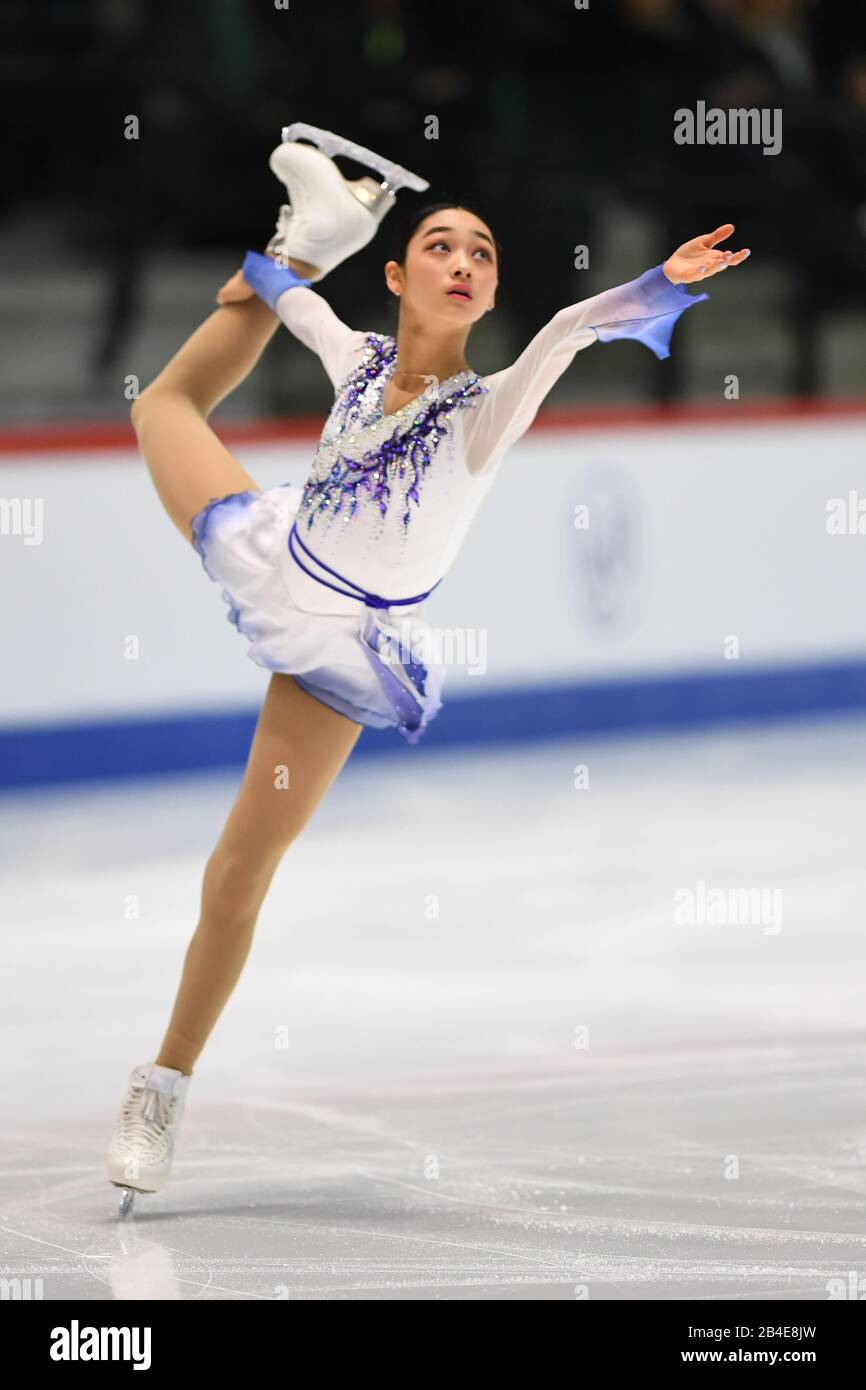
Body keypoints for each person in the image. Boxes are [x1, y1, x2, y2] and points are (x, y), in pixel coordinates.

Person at [107, 125, 749, 1213]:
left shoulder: (484, 413)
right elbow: (299, 313)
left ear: (486, 294)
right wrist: (274, 274)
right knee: (159, 404)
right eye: (441, 246)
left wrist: (655, 281)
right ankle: (319, 228)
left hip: (335, 647)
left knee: (237, 869)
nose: (464, 261)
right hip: (272, 550)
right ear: (399, 277)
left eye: (482, 253)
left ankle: (160, 1083)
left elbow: (566, 332)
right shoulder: (358, 362)